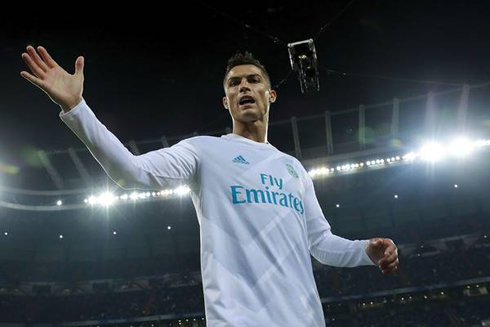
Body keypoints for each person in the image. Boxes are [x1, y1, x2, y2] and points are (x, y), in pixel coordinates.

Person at [21, 45, 399, 327]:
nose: (244, 87)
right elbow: (130, 172)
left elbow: (320, 243)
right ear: (226, 101)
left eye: (254, 81)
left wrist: (364, 250)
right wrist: (77, 109)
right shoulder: (205, 151)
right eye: (235, 83)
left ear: (271, 95)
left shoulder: (294, 169)